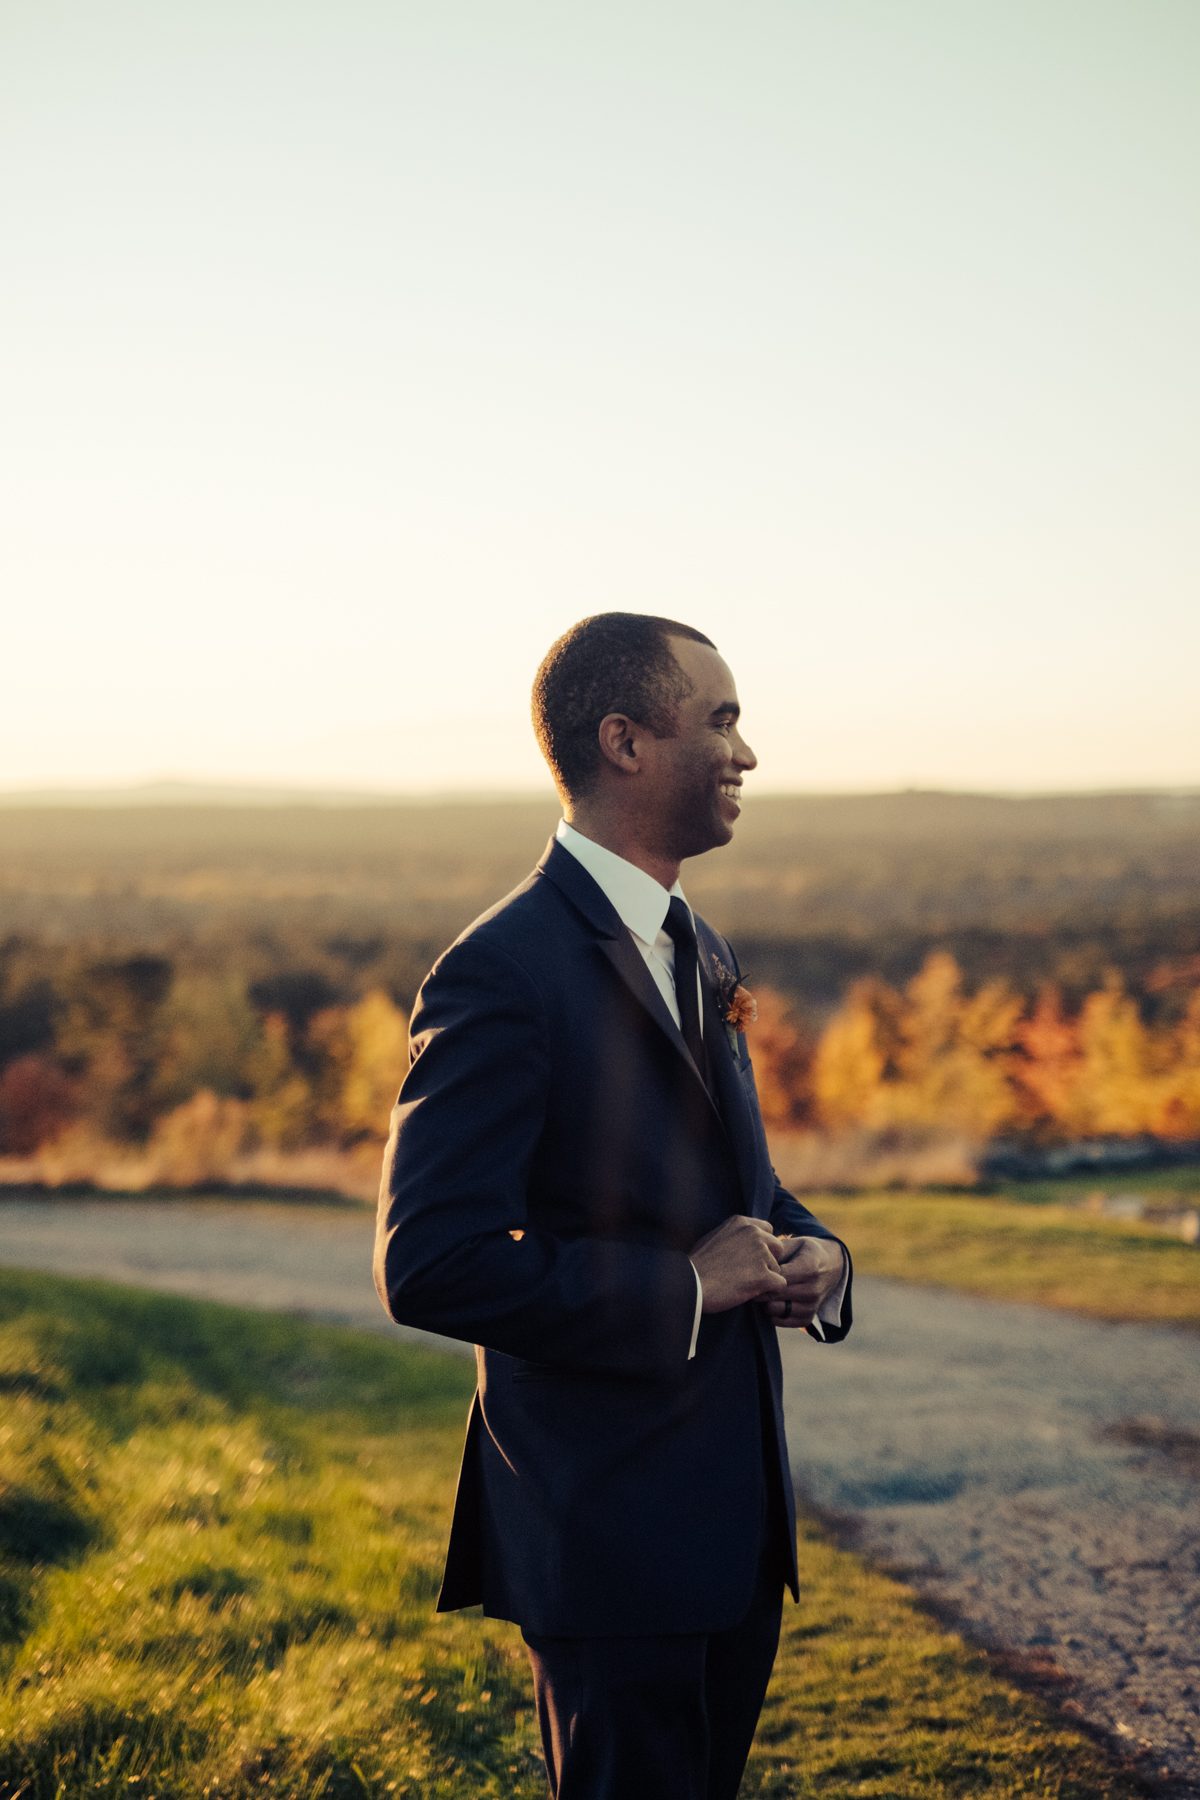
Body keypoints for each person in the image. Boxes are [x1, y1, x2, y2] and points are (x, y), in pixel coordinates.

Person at [374, 613, 852, 1800]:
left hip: (734, 1528)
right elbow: (431, 1260)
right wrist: (689, 1286)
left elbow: (736, 1186)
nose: (747, 755)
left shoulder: (700, 943)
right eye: (724, 720)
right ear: (626, 740)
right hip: (604, 1531)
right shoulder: (503, 966)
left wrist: (818, 1252)